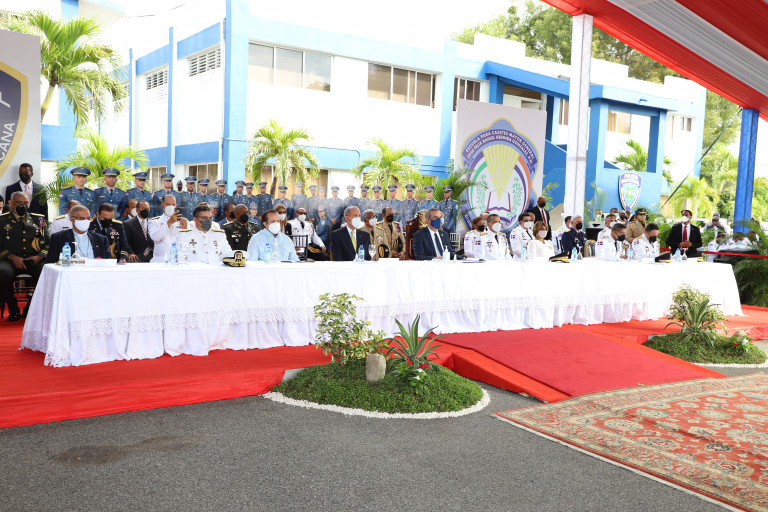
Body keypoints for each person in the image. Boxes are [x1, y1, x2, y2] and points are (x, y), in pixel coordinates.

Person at [0, 192, 50, 320]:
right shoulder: (2, 220)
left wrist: (39, 257)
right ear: (10, 203)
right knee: (2, 272)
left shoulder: (38, 219)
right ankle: (13, 309)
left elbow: (48, 244)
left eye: (25, 202)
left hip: (34, 260)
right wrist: (12, 257)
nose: (22, 205)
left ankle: (30, 308)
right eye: (18, 202)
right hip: (11, 260)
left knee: (46, 272)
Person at [148, 194, 188, 263]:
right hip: (161, 261)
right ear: (162, 205)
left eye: (173, 204)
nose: (171, 206)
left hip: (180, 260)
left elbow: (187, 242)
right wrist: (169, 223)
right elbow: (155, 238)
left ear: (176, 206)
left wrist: (184, 229)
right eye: (168, 204)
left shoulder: (183, 221)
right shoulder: (154, 222)